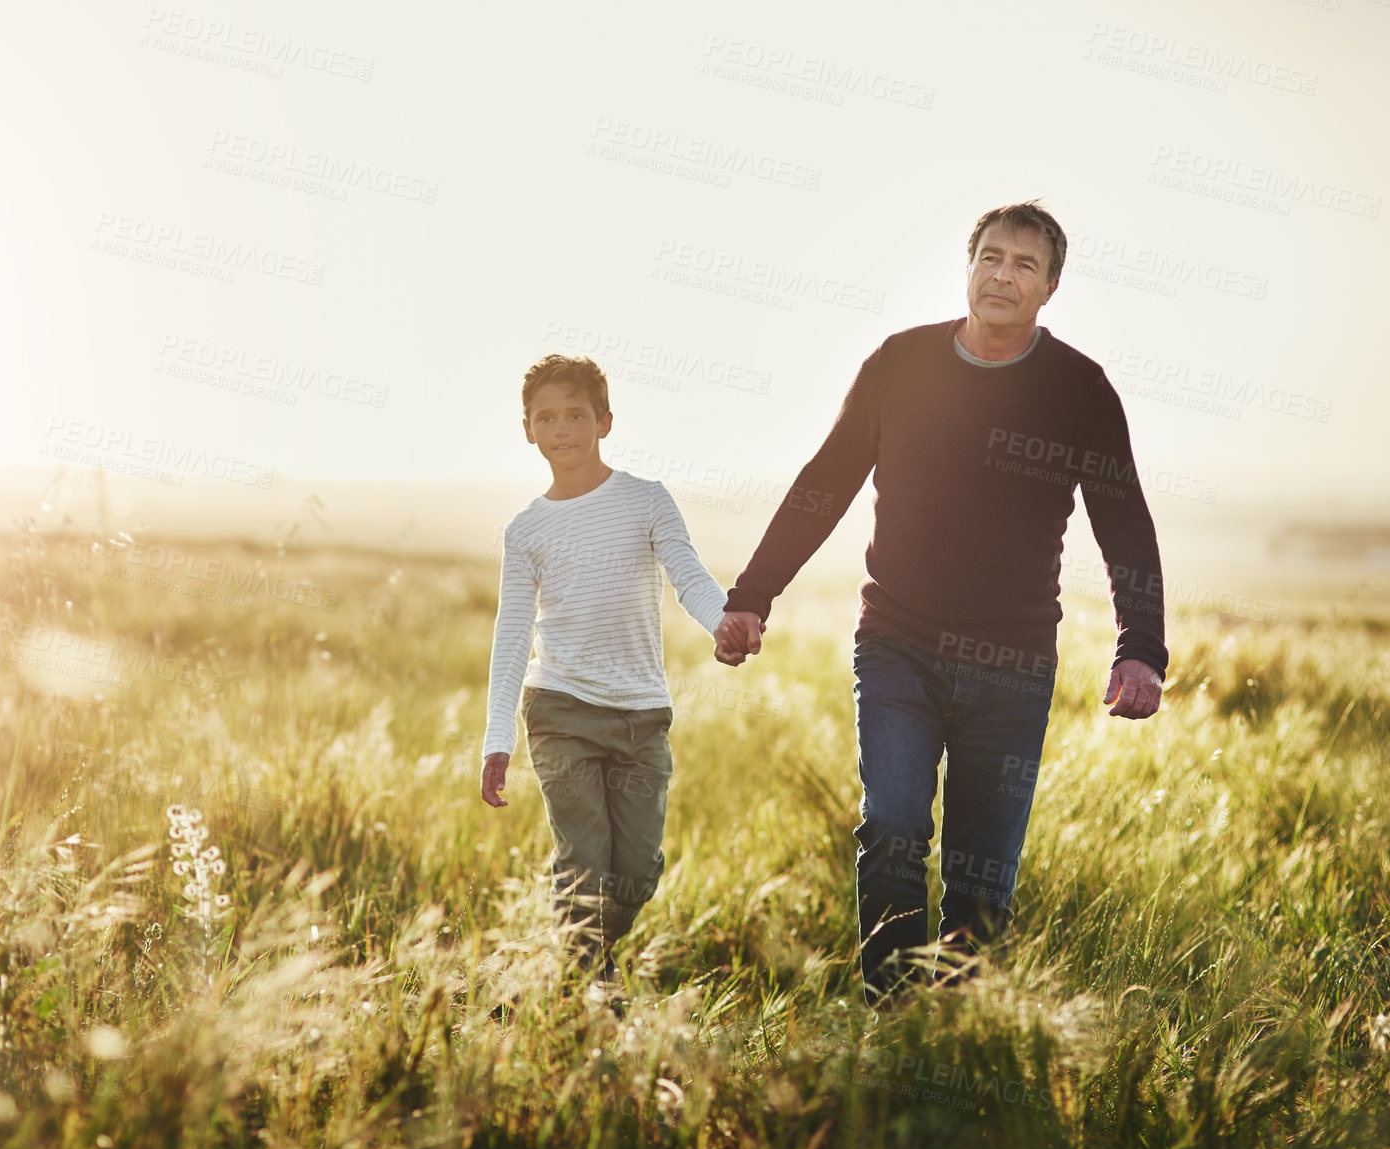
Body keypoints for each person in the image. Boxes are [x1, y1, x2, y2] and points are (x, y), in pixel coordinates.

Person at [713, 201, 1167, 1002]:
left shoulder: (1078, 389)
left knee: (980, 869)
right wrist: (753, 595)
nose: (1002, 274)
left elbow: (1122, 519)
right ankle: (890, 1014)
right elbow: (825, 482)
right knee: (891, 824)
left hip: (1013, 660)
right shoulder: (899, 363)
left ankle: (955, 1029)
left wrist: (1140, 646)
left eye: (1024, 265)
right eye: (990, 257)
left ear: (1050, 288)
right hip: (898, 641)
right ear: (967, 267)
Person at [480, 354, 728, 987]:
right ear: (527, 430)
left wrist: (724, 622)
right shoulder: (526, 530)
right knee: (584, 863)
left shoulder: (646, 500)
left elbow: (688, 576)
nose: (562, 429)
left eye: (576, 415)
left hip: (641, 715)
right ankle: (584, 990)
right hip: (559, 710)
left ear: (605, 421)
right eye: (546, 418)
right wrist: (497, 739)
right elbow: (512, 636)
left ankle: (571, 962)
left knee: (638, 871)